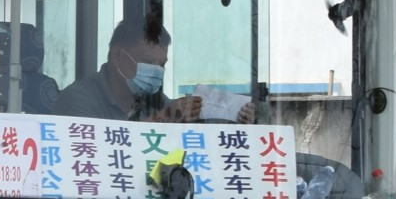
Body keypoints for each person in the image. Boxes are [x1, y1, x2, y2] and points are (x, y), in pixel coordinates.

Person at [55, 15, 254, 123]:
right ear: (117, 56)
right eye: (148, 63)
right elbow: (100, 153)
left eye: (162, 65)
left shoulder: (154, 99)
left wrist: (236, 116)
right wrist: (165, 116)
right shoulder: (77, 98)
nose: (157, 72)